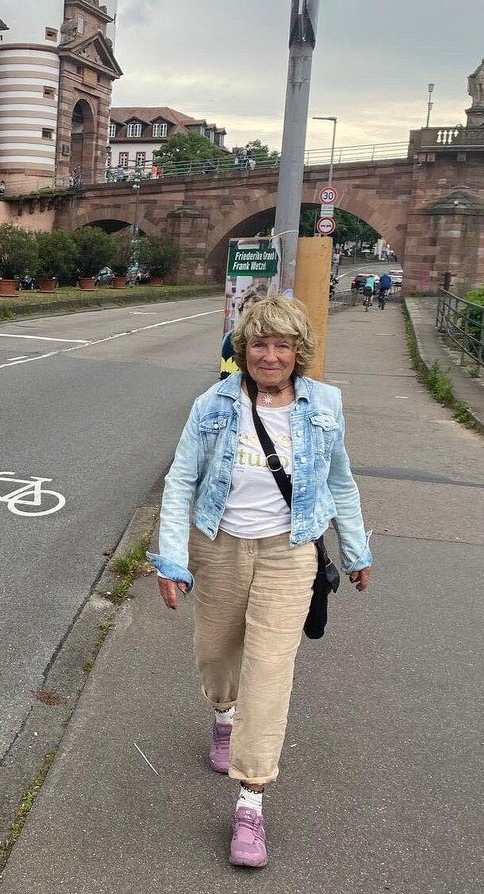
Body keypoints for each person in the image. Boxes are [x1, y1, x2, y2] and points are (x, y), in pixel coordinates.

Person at [149, 296, 372, 869]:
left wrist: (356, 550)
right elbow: (180, 481)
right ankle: (223, 715)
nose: (269, 356)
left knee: (271, 668)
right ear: (242, 348)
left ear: (299, 351)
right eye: (258, 344)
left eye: (281, 345)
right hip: (218, 545)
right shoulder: (213, 404)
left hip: (289, 552)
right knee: (217, 653)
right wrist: (171, 559)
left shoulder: (326, 405)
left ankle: (252, 799)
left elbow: (340, 483)